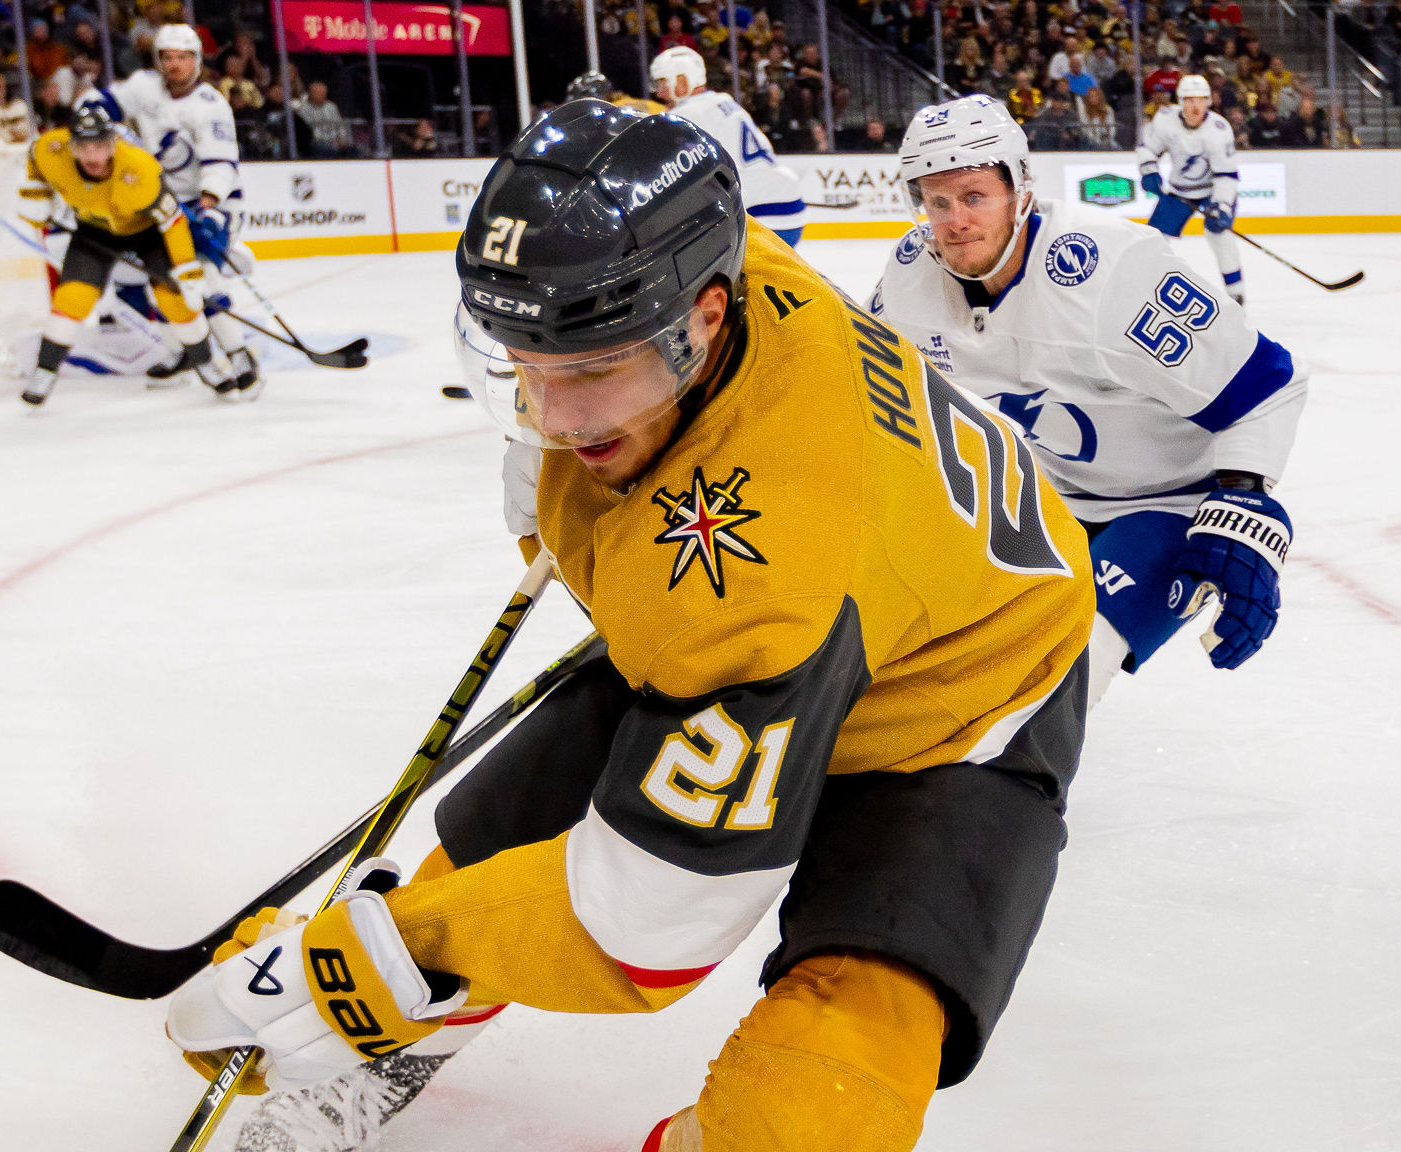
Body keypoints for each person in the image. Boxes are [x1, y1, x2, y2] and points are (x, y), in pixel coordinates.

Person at [167, 97, 1095, 1152]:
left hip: (960, 701)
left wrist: (373, 965)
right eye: (524, 363)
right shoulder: (693, 256)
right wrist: (569, 404)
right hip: (821, 596)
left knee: (814, 1103)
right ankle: (409, 1031)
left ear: (702, 320)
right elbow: (633, 169)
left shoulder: (761, 568)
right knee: (489, 863)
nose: (557, 420)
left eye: (595, 368)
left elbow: (647, 926)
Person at [870, 94, 1305, 710]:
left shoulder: (1110, 271)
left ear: (1019, 190)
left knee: (1060, 678)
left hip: (1169, 501)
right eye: (938, 202)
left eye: (974, 197)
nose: (956, 221)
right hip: (1040, 499)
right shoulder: (908, 277)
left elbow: (1264, 384)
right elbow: (873, 393)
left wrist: (1245, 502)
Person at [79, 24, 259, 392]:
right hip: (163, 203)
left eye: (183, 57)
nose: (175, 65)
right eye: (168, 57)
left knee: (202, 276)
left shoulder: (210, 106)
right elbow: (101, 101)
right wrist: (90, 113)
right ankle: (180, 353)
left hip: (211, 204)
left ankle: (238, 354)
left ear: (198, 61)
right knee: (158, 279)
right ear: (158, 60)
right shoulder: (144, 86)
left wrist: (208, 210)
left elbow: (221, 166)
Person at [14, 105, 229, 405]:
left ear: (113, 144)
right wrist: (36, 191)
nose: (92, 157)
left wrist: (188, 273)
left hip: (148, 233)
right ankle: (45, 371)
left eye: (100, 146)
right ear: (71, 145)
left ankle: (204, 362)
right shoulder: (52, 148)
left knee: (174, 300)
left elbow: (173, 221)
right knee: (72, 298)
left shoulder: (140, 169)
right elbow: (35, 157)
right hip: (93, 231)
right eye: (83, 147)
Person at [649, 46, 808, 245]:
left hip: (761, 211)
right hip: (786, 201)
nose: (659, 92)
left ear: (682, 81)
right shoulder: (722, 100)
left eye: (663, 82)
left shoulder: (686, 115)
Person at [1135, 74, 1247, 304]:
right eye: (1189, 100)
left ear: (1209, 102)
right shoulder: (1165, 119)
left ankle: (1236, 293)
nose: (1195, 107)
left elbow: (1226, 175)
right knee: (1155, 240)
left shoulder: (1219, 130)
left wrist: (1222, 206)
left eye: (1201, 100)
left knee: (1219, 236)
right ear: (1180, 101)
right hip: (1180, 191)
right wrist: (1149, 170)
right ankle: (1142, 289)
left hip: (1213, 191)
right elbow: (1147, 148)